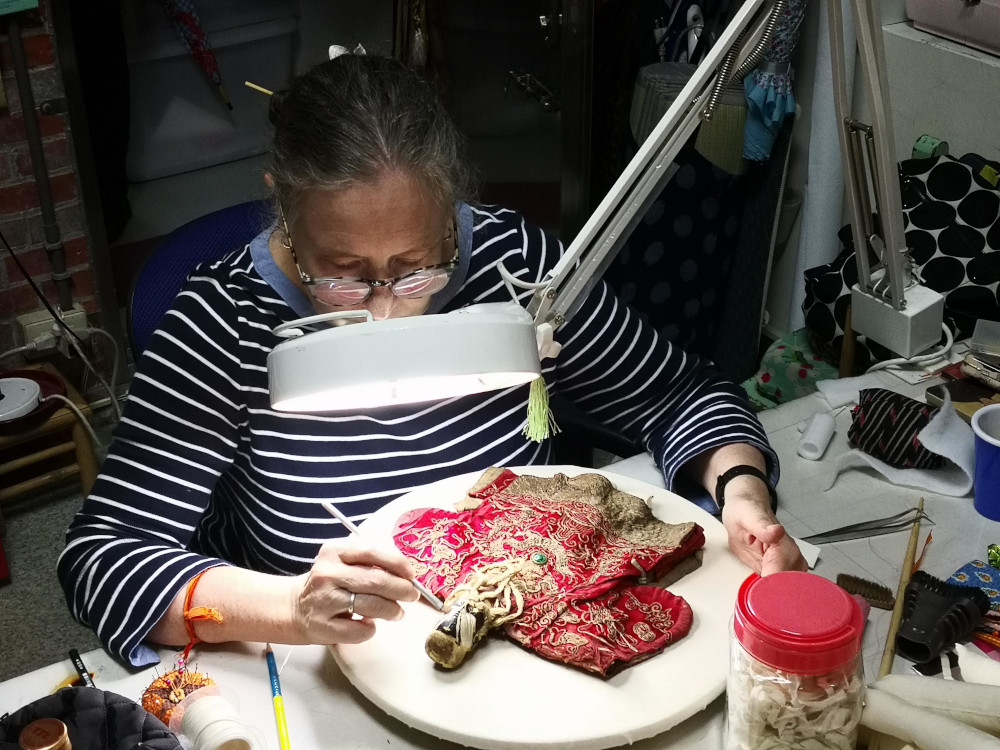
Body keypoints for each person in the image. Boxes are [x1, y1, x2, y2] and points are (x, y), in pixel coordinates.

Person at [59, 53, 805, 668]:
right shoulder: (221, 323)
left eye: (416, 268)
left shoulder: (518, 271)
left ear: (452, 208)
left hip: (520, 646)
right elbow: (102, 558)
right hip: (329, 665)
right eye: (343, 274)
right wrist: (290, 607)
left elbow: (678, 393)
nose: (385, 311)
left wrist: (742, 494)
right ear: (283, 206)